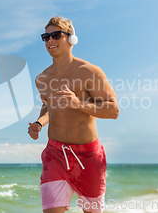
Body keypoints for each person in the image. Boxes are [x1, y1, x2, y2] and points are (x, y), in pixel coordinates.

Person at [28, 16, 119, 213]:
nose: (50, 40)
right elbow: (49, 108)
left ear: (71, 39)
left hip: (88, 155)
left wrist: (79, 104)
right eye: (46, 37)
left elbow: (113, 110)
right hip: (55, 154)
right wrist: (39, 124)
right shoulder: (42, 79)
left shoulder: (89, 72)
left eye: (55, 35)